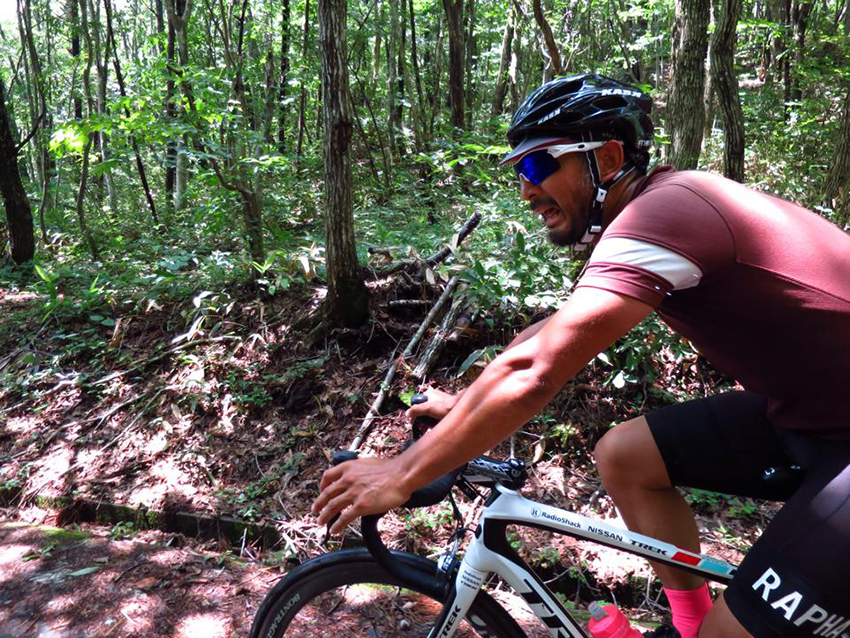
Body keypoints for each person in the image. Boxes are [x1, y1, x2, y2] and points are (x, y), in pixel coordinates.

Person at [312, 73, 850, 638]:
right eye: (519, 171)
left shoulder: (667, 214)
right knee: (627, 456)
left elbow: (536, 369)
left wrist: (402, 472)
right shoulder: (655, 211)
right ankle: (689, 622)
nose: (526, 189)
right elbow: (552, 333)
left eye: (539, 166)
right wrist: (466, 404)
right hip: (810, 415)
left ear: (609, 157)